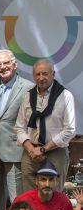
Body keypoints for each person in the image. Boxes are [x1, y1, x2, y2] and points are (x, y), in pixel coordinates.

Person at [0, 49, 34, 210]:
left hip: (15, 149)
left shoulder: (28, 87)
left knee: (17, 197)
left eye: (6, 63)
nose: (2, 67)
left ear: (15, 64)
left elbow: (30, 121)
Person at [15, 59, 76, 191]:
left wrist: (43, 149)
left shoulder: (65, 96)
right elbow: (20, 127)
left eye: (45, 74)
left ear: (53, 74)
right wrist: (32, 149)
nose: (41, 78)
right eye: (37, 74)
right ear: (33, 76)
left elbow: (69, 130)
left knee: (53, 196)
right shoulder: (27, 96)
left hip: (55, 152)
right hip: (30, 153)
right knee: (29, 197)